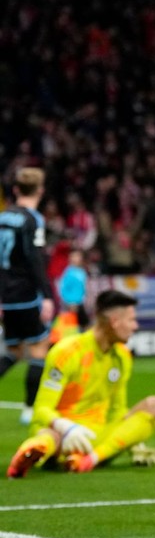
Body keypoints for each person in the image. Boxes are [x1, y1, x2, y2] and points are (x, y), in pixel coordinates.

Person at [7, 289, 155, 477]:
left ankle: (87, 459)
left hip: (96, 433)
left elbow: (118, 411)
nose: (135, 326)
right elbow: (41, 409)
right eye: (131, 320)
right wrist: (68, 428)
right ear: (114, 322)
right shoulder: (67, 352)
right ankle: (35, 453)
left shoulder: (122, 356)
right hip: (62, 431)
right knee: (48, 436)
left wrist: (133, 441)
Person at [0, 168, 55, 426]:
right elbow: (35, 259)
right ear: (40, 191)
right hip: (27, 293)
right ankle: (29, 409)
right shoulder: (33, 219)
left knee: (13, 350)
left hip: (6, 295)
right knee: (39, 349)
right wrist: (46, 295)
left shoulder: (3, 217)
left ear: (15, 190)